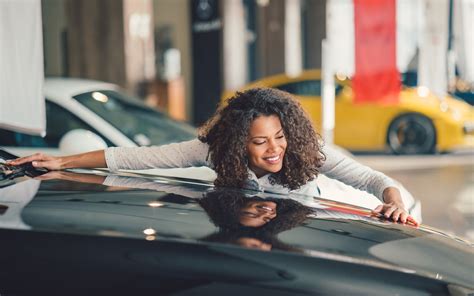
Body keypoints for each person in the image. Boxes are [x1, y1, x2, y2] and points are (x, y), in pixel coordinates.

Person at [7, 88, 418, 225]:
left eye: (279, 136)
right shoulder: (212, 152)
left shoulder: (306, 153)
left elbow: (372, 179)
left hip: (314, 228)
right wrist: (61, 163)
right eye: (260, 142)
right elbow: (136, 159)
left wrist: (394, 203)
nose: (274, 149)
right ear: (239, 142)